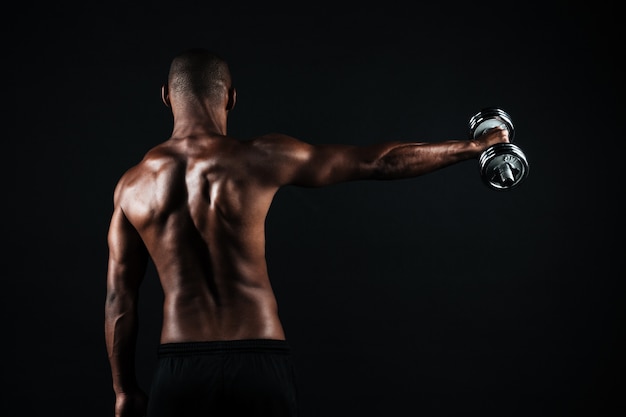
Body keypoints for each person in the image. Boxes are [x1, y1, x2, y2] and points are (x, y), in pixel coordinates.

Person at [104, 48, 509, 417]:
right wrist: (472, 147)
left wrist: (124, 392)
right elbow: (377, 163)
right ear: (230, 97)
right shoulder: (260, 158)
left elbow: (119, 297)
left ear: (165, 97)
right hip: (259, 364)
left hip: (180, 371)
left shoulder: (132, 187)